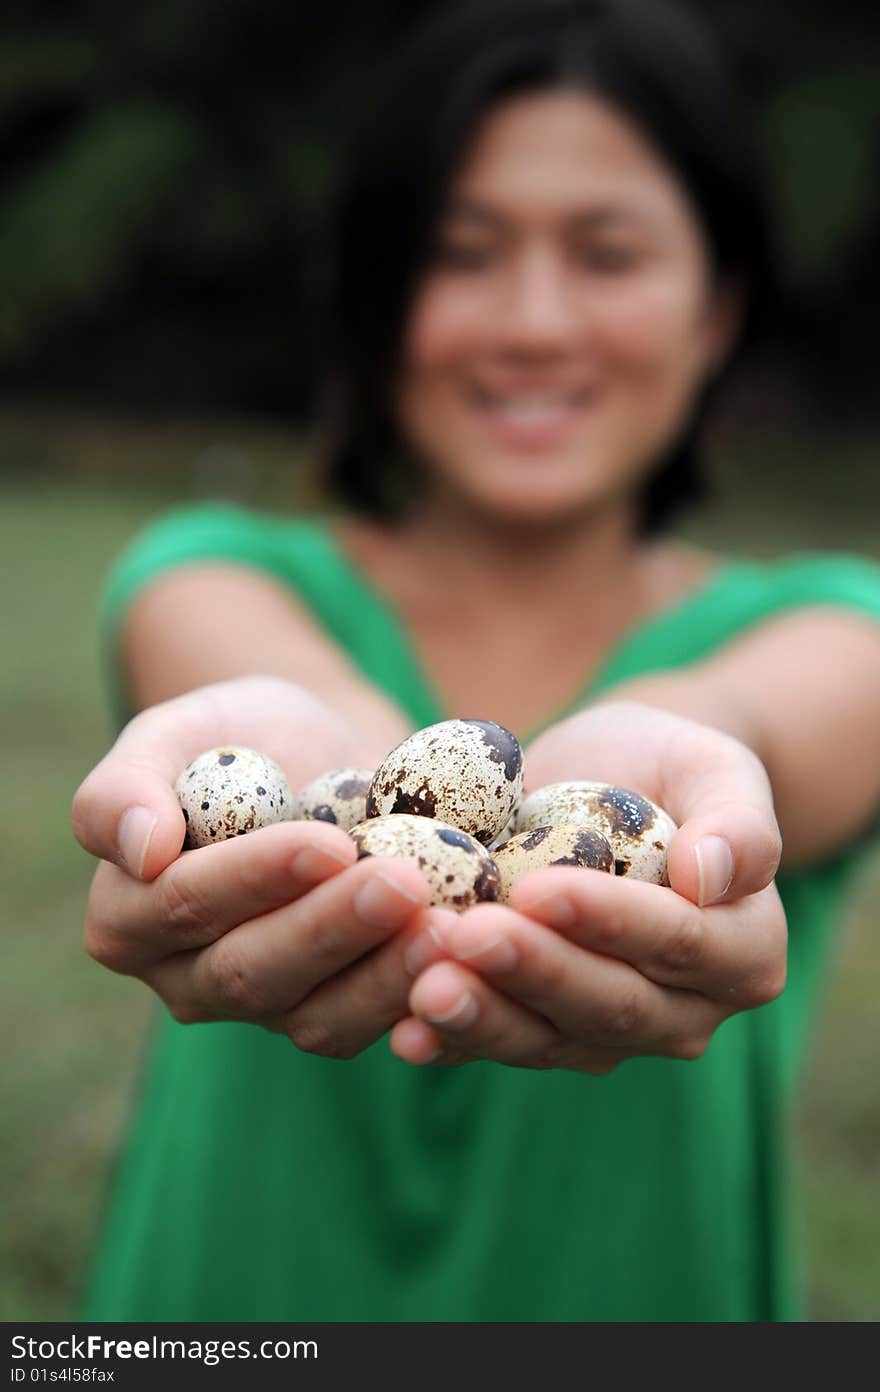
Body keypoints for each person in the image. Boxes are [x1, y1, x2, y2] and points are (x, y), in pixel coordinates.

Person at [71, 0, 880, 1321]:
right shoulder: (216, 574)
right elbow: (270, 678)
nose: (534, 322)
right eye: (460, 253)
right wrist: (321, 726)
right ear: (377, 299)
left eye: (609, 254)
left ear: (718, 310)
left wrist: (685, 738)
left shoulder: (840, 625)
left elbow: (768, 719)